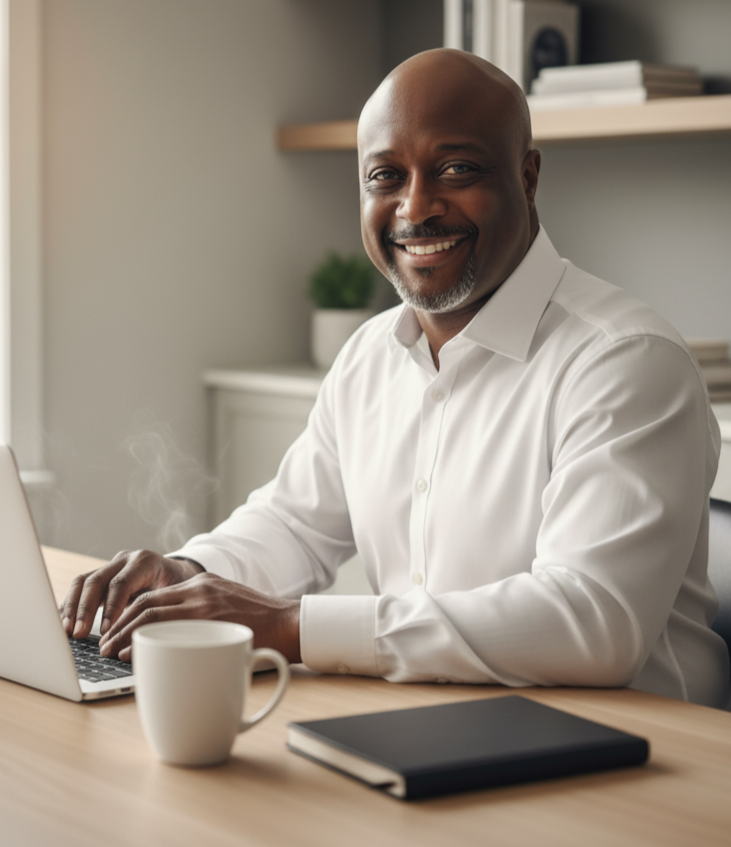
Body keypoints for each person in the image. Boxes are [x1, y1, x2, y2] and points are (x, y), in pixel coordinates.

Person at [61, 49, 730, 708]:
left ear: (527, 178)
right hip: (431, 722)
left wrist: (293, 627)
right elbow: (293, 524)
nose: (416, 207)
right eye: (385, 176)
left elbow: (591, 621)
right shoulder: (369, 355)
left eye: (456, 168)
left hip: (630, 749)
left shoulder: (624, 360)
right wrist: (188, 574)